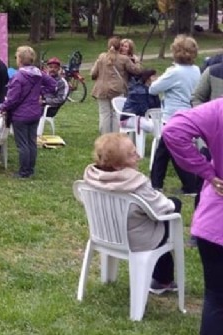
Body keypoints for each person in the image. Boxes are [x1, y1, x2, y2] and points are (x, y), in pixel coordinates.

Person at [83, 133, 181, 293]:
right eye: (132, 154)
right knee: (174, 208)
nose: (139, 156)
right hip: (137, 240)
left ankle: (162, 279)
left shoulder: (92, 178)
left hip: (103, 233)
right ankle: (163, 280)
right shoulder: (137, 185)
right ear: (117, 165)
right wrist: (174, 204)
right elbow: (164, 208)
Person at [163, 100, 223, 335]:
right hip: (216, 220)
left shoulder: (218, 108)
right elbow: (174, 131)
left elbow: (173, 130)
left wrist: (207, 172)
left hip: (214, 222)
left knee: (217, 300)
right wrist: (207, 172)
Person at [149, 35, 200, 195]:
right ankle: (156, 183)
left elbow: (153, 89)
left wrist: (157, 79)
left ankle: (190, 186)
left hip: (172, 117)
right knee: (163, 153)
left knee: (173, 152)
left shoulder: (174, 72)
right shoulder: (196, 70)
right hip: (189, 115)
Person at [0, 46, 56, 179]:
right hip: (35, 112)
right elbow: (53, 85)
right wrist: (40, 93)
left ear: (19, 59)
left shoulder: (18, 76)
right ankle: (30, 169)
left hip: (20, 114)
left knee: (22, 144)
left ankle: (24, 172)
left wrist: (3, 107)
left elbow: (13, 98)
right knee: (31, 142)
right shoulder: (38, 73)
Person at [90, 36, 141, 134]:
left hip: (101, 89)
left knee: (104, 114)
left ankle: (105, 138)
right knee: (115, 114)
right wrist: (137, 61)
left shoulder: (101, 57)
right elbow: (137, 71)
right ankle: (115, 138)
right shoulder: (124, 59)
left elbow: (93, 73)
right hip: (117, 90)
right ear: (119, 47)